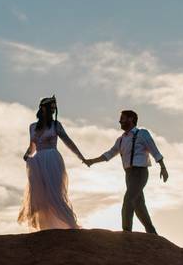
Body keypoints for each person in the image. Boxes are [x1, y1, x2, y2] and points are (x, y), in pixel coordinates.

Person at [85, 109, 168, 234]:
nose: (120, 121)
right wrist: (92, 161)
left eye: (122, 118)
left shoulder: (142, 134)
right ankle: (152, 233)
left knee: (128, 200)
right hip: (128, 175)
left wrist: (163, 167)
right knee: (139, 206)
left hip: (140, 173)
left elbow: (154, 150)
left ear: (131, 119)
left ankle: (126, 232)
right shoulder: (121, 139)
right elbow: (109, 154)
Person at [18, 96, 86, 230]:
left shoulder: (56, 125)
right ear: (42, 109)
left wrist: (81, 157)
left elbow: (68, 141)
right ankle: (45, 228)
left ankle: (69, 225)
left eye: (53, 109)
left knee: (54, 193)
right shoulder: (32, 127)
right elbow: (33, 146)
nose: (52, 111)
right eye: (50, 108)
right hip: (37, 162)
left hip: (52, 159)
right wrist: (26, 155)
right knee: (40, 197)